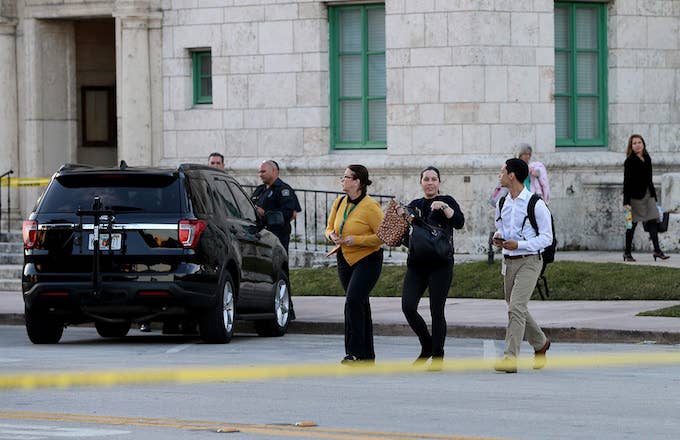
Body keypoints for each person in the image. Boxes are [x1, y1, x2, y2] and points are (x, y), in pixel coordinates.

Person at [401, 166, 464, 370]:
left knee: (437, 311)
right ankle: (427, 344)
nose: (429, 182)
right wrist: (402, 217)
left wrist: (445, 208)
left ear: (439, 183)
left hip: (440, 265)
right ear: (421, 182)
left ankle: (437, 355)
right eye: (426, 179)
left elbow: (459, 222)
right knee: (408, 307)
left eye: (433, 179)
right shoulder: (415, 205)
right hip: (417, 265)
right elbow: (405, 237)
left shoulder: (447, 201)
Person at [492, 158, 552, 373]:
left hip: (530, 260)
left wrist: (521, 244)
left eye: (502, 172)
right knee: (515, 306)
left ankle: (510, 358)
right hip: (509, 261)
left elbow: (547, 238)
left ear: (512, 175)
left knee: (516, 307)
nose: (499, 175)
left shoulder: (535, 204)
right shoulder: (502, 203)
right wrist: (499, 238)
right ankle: (541, 343)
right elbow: (501, 228)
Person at [325, 165, 384, 365]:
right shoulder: (339, 201)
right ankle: (367, 355)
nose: (342, 180)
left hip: (368, 260)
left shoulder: (371, 206)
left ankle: (354, 353)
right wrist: (331, 235)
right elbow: (329, 227)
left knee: (352, 302)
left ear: (357, 182)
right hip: (344, 258)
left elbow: (382, 237)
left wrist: (356, 240)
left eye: (346, 177)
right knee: (359, 304)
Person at [623, 134, 669, 262]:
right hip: (635, 198)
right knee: (631, 225)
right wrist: (626, 202)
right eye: (634, 143)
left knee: (653, 221)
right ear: (631, 146)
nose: (637, 145)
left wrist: (654, 195)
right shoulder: (629, 161)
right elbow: (626, 182)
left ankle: (657, 251)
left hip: (648, 195)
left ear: (643, 144)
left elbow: (649, 179)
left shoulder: (647, 158)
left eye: (639, 142)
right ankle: (627, 252)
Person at [251, 160, 302, 254]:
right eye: (259, 172)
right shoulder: (259, 190)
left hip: (276, 236)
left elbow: (290, 214)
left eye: (263, 171)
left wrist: (265, 214)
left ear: (274, 171)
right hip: (258, 235)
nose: (260, 175)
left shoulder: (283, 189)